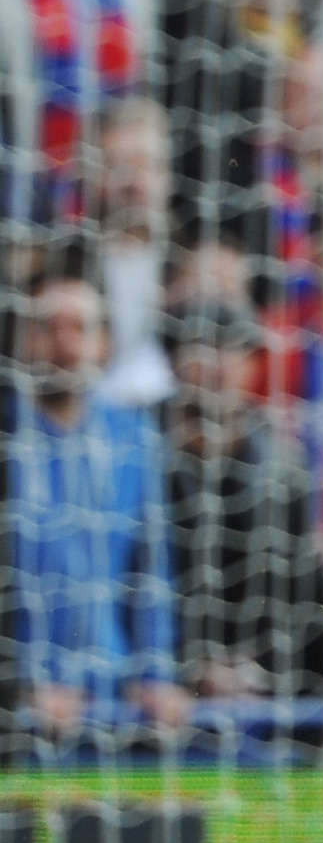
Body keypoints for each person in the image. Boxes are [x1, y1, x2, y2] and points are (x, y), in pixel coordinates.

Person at [7, 273, 188, 744]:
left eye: (79, 328)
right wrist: (20, 686)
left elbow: (151, 570)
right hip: (20, 712)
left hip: (117, 701)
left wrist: (155, 674)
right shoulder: (11, 440)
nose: (64, 343)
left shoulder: (133, 441)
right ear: (24, 338)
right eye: (49, 327)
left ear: (104, 343)